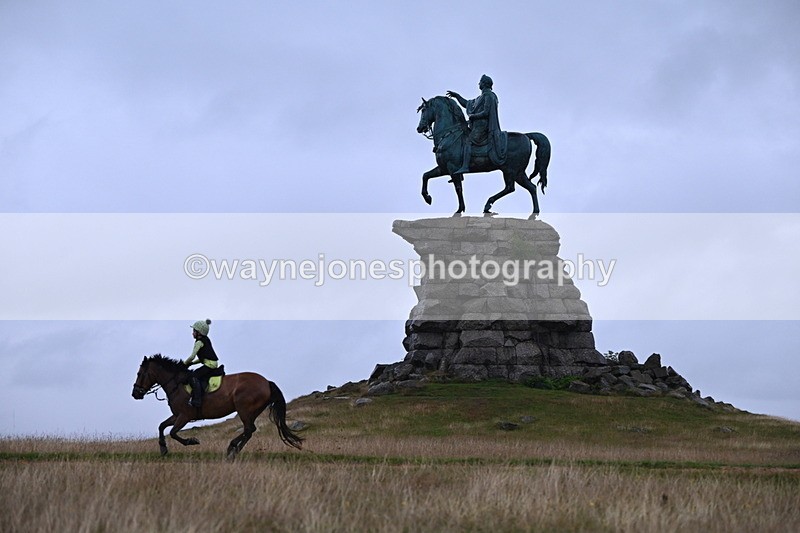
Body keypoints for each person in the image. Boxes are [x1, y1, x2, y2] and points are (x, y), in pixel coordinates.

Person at [447, 74, 508, 173]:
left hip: (483, 126)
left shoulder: (489, 95)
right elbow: (467, 104)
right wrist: (457, 96)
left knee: (468, 141)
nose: (478, 83)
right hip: (476, 126)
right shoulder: (480, 97)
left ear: (484, 84)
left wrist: (473, 116)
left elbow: (486, 112)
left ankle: (465, 166)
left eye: (480, 82)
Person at [184, 319, 219, 408]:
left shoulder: (199, 342)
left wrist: (184, 364)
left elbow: (192, 356)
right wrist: (192, 364)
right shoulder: (206, 340)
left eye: (194, 331)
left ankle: (197, 400)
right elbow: (203, 358)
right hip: (213, 363)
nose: (192, 333)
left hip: (209, 365)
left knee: (193, 376)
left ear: (199, 332)